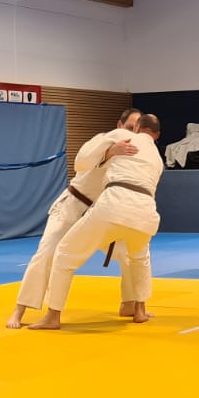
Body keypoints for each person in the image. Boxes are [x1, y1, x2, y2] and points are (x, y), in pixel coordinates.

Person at [7, 108, 143, 329]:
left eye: (137, 129)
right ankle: (20, 310)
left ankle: (129, 303)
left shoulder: (138, 152)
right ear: (119, 125)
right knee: (46, 253)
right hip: (73, 205)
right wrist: (110, 152)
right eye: (129, 127)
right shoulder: (102, 140)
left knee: (130, 253)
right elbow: (81, 164)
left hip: (103, 214)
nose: (132, 133)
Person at [32, 114, 164, 331]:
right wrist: (111, 153)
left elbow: (81, 162)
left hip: (114, 205)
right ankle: (139, 309)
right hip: (146, 213)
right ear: (157, 135)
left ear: (137, 128)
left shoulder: (121, 135)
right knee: (140, 258)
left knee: (64, 253)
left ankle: (52, 316)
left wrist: (109, 151)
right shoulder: (158, 159)